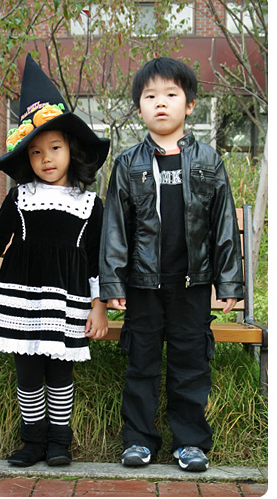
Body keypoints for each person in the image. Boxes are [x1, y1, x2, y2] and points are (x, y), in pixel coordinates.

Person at [0, 54, 109, 467]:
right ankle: (32, 441)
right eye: (36, 152)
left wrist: (99, 306)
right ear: (27, 158)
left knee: (60, 374)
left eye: (54, 148)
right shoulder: (20, 197)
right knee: (28, 373)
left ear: (72, 149)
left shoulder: (90, 204)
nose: (46, 158)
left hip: (66, 301)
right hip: (22, 297)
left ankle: (60, 443)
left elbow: (96, 260)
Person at [99, 57, 243, 472]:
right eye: (150, 96)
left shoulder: (208, 161)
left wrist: (229, 283)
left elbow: (223, 225)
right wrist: (113, 285)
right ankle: (138, 441)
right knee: (141, 364)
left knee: (190, 365)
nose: (160, 103)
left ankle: (190, 443)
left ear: (190, 104)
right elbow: (115, 229)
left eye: (170, 94)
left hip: (191, 286)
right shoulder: (128, 164)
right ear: (139, 108)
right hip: (143, 285)